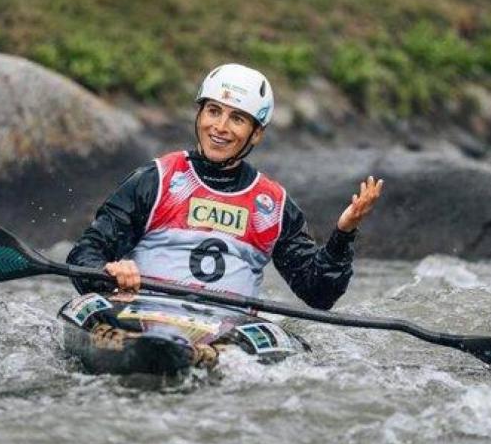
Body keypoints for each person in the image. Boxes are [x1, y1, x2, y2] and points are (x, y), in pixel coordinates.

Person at [66, 63, 383, 310]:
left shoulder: (272, 206)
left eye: (237, 119)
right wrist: (109, 273)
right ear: (200, 113)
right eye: (213, 111)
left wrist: (344, 233)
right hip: (142, 318)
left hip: (221, 335)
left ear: (256, 133)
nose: (220, 127)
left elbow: (318, 295)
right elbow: (85, 255)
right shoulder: (155, 181)